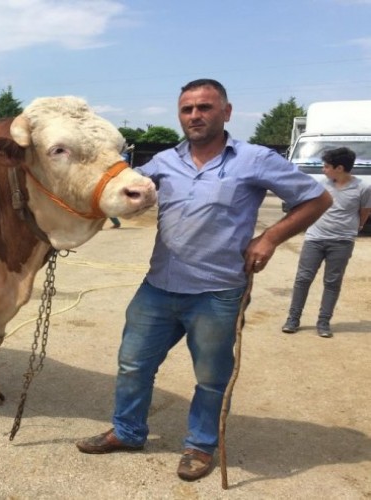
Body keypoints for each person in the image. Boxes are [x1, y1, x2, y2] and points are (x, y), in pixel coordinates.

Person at [76, 79, 332, 481]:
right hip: (158, 288)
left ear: (226, 112)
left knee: (211, 379)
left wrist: (269, 238)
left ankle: (199, 445)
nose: (195, 115)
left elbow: (318, 199)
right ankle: (127, 431)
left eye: (205, 107)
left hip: (218, 293)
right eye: (187, 109)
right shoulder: (162, 162)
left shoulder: (255, 159)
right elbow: (120, 192)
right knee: (132, 365)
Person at [282, 147, 371, 338]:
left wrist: (354, 229)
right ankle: (293, 319)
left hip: (342, 242)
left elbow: (364, 211)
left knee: (332, 282)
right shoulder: (320, 185)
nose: (323, 170)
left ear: (339, 168)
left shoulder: (363, 188)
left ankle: (323, 322)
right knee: (303, 279)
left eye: (326, 166)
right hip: (315, 238)